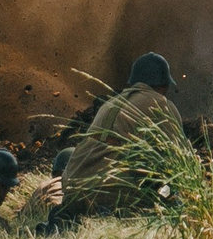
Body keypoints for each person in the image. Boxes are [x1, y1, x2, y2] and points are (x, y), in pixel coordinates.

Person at [48, 53, 184, 222]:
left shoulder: (110, 103)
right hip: (111, 192)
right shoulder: (161, 104)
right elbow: (178, 159)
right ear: (163, 84)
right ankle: (110, 213)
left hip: (72, 188)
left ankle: (69, 218)